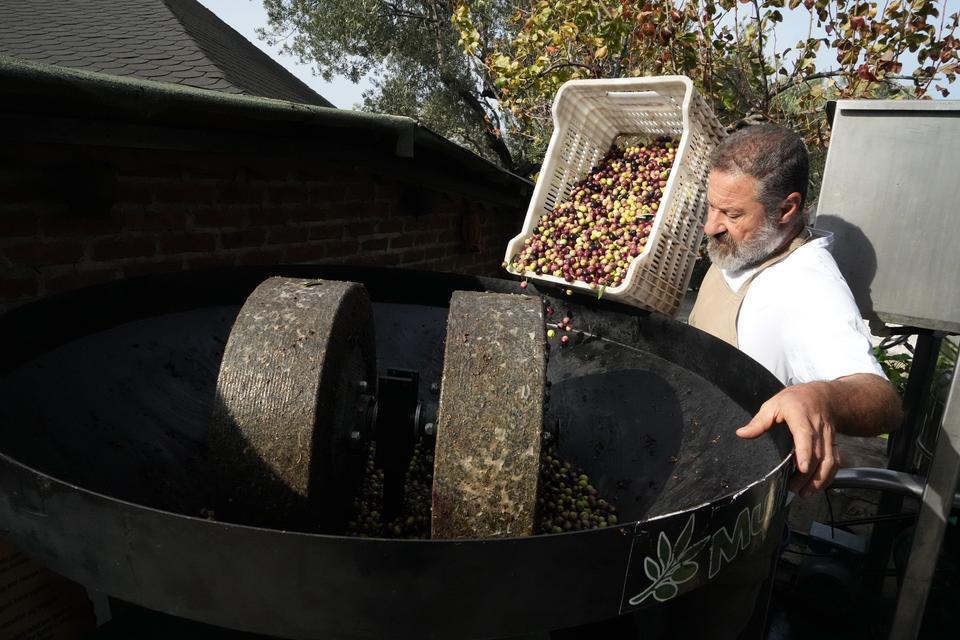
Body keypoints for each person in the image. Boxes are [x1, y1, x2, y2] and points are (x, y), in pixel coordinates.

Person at [688, 123, 902, 498]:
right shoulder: (750, 245)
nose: (710, 226)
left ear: (786, 209)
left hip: (733, 498)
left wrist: (820, 397)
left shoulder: (807, 285)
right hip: (689, 460)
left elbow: (883, 401)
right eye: (711, 205)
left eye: (732, 214)